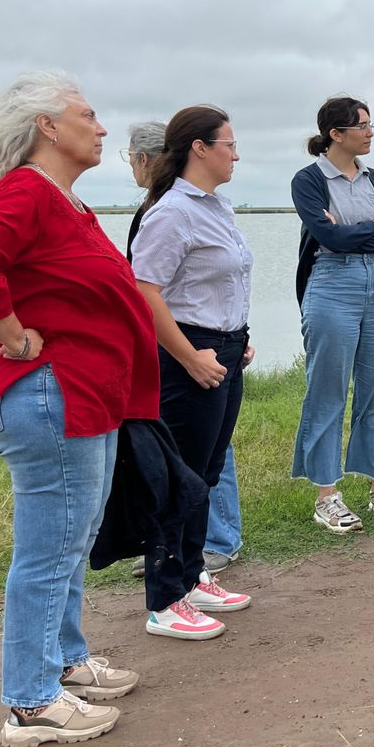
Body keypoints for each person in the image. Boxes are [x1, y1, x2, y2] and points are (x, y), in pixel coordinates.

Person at [0, 71, 154, 747]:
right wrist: (13, 335)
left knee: (71, 538)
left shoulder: (64, 202)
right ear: (48, 127)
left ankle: (65, 661)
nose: (103, 127)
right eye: (88, 114)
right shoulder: (29, 190)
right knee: (50, 547)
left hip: (83, 394)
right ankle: (30, 702)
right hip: (50, 393)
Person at [130, 105, 254, 639]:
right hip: (190, 356)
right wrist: (189, 354)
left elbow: (221, 281)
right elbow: (144, 291)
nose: (236, 153)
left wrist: (236, 339)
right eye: (228, 143)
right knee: (177, 478)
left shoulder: (216, 206)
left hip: (222, 349)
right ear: (199, 148)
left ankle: (193, 575)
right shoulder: (171, 212)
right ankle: (165, 599)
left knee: (205, 472)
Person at [290, 96, 374, 533]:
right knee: (327, 391)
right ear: (335, 134)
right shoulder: (309, 180)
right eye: (362, 125)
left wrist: (355, 231)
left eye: (370, 124)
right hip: (331, 285)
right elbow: (327, 238)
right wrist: (369, 229)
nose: (370, 131)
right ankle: (327, 496)